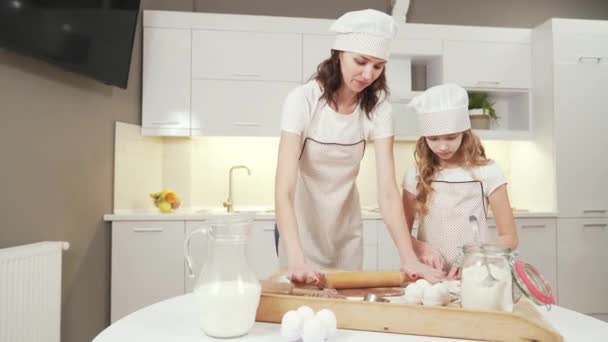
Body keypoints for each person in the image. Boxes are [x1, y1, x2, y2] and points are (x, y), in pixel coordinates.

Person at [274, 9, 444, 285]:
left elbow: (388, 191)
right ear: (339, 54)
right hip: (300, 231)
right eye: (361, 61)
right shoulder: (302, 101)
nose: (368, 74)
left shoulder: (379, 109)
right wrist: (296, 258)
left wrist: (408, 257)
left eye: (377, 66)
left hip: (346, 230)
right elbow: (284, 189)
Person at [402, 83, 519, 277]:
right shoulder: (415, 173)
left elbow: (510, 237)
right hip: (428, 274)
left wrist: (475, 258)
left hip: (476, 274)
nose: (442, 147)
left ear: (465, 134)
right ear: (424, 138)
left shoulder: (488, 172)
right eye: (433, 139)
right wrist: (421, 248)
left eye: (451, 137)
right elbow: (401, 233)